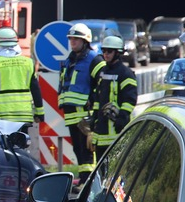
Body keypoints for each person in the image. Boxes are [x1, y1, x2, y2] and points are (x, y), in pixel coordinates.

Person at [0, 27, 43, 132]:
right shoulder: (28, 63)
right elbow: (35, 89)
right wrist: (39, 112)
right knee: (21, 144)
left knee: (3, 147)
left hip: (1, 116)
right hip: (23, 115)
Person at [59, 22, 104, 181]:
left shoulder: (95, 59)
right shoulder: (69, 60)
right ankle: (84, 179)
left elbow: (101, 87)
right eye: (71, 39)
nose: (72, 42)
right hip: (71, 113)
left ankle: (88, 182)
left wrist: (94, 111)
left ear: (85, 41)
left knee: (87, 150)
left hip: (86, 113)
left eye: (76, 39)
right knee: (78, 149)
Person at [89, 35, 138, 163]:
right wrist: (94, 117)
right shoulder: (103, 72)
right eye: (104, 51)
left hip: (116, 130)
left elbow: (130, 99)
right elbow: (97, 97)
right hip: (101, 130)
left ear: (118, 53)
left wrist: (122, 117)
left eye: (109, 51)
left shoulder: (125, 74)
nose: (105, 54)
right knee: (100, 166)